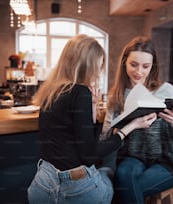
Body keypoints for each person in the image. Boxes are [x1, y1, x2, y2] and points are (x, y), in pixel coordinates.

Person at [27, 34, 157, 204]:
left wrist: (93, 107)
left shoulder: (51, 91)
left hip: (42, 186)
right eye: (98, 65)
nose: (99, 71)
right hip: (75, 190)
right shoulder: (81, 92)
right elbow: (89, 156)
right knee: (110, 174)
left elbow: (81, 140)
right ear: (87, 65)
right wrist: (129, 128)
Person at [101, 36, 173, 204]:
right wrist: (122, 128)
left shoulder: (165, 90)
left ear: (153, 66)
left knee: (124, 191)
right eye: (133, 65)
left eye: (146, 66)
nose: (139, 72)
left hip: (167, 161)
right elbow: (105, 137)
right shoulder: (117, 95)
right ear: (124, 63)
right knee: (123, 176)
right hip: (133, 158)